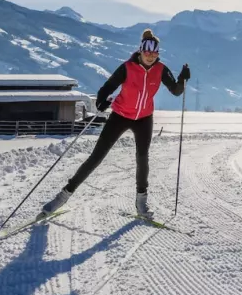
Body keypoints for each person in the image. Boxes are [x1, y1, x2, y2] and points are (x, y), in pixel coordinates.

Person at [39, 29, 189, 221]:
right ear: (141, 51)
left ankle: (141, 202)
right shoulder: (127, 67)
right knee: (96, 157)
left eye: (154, 53)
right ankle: (62, 196)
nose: (150, 56)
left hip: (144, 118)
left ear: (157, 54)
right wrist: (101, 101)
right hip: (120, 115)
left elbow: (176, 91)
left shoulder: (161, 69)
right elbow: (108, 87)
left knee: (142, 158)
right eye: (147, 52)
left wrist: (183, 79)